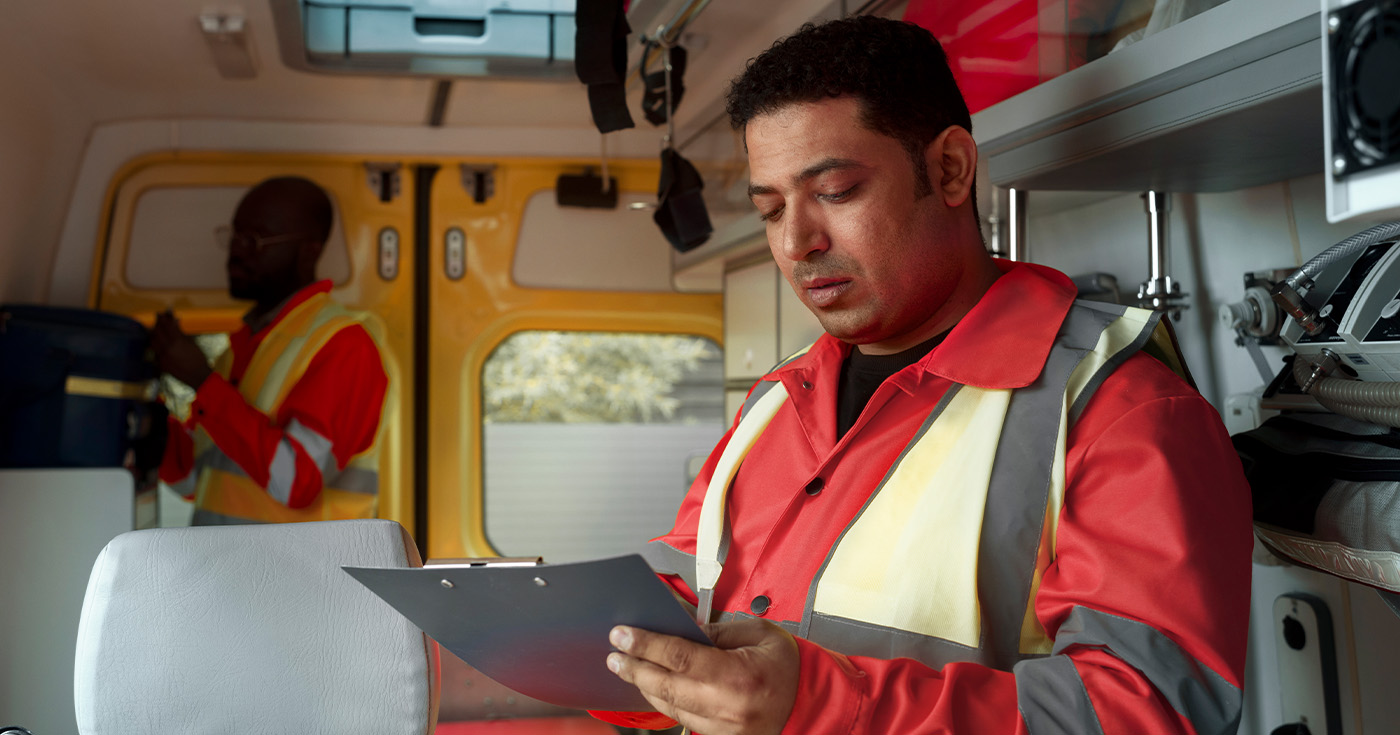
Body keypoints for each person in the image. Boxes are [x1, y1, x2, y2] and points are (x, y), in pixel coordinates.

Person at [593, 15, 1252, 735]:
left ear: (948, 170)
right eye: (771, 208)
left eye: (836, 191)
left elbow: (1150, 712)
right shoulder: (776, 401)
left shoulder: (1120, 411)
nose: (796, 242)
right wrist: (579, 639)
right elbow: (682, 594)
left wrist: (819, 704)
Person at [151, 176, 390, 525]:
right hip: (227, 571)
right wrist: (145, 414)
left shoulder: (344, 344)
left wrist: (202, 381)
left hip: (299, 576)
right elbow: (193, 479)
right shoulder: (237, 351)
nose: (236, 250)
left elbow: (296, 482)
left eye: (255, 240)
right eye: (234, 236)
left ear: (309, 251)